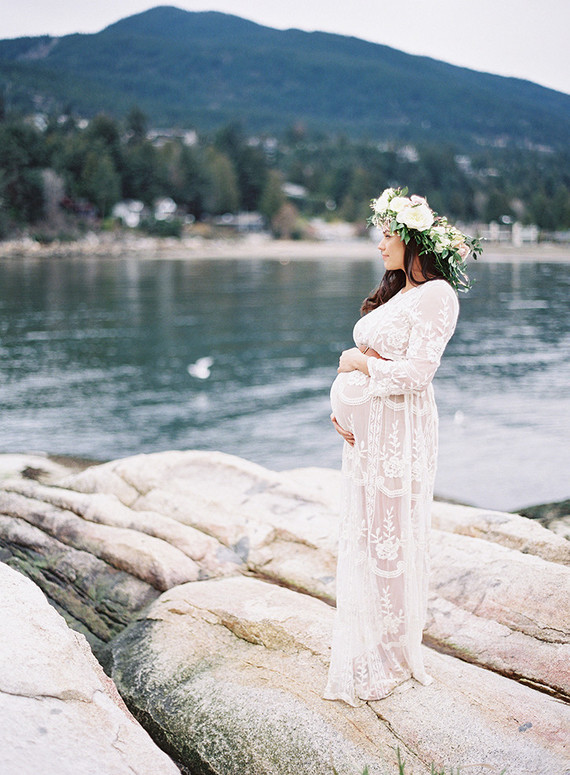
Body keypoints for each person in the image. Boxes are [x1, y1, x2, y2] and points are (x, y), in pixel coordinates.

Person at [324, 187, 480, 707]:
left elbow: (417, 372)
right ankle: (378, 642)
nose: (380, 246)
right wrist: (343, 404)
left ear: (413, 240)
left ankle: (394, 656)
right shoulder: (400, 293)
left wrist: (356, 366)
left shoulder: (438, 295)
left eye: (387, 236)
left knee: (390, 541)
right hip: (373, 433)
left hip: (399, 433)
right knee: (371, 537)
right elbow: (377, 357)